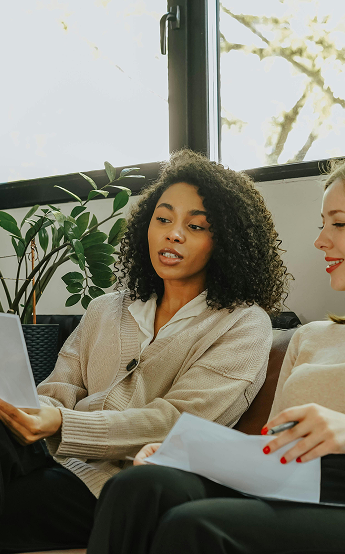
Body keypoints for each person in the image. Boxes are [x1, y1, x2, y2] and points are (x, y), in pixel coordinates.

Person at [88, 149, 345, 554]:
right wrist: (188, 451)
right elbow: (272, 456)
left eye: (339, 223)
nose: (321, 240)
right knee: (140, 486)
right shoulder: (312, 337)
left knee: (195, 527)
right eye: (323, 224)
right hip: (297, 493)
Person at [0, 149, 289, 553]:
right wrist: (27, 412)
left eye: (197, 226)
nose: (173, 234)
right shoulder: (106, 307)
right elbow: (61, 385)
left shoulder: (243, 324)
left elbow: (176, 424)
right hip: (47, 456)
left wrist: (62, 425)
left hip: (113, 486)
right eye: (163, 219)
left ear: (226, 242)